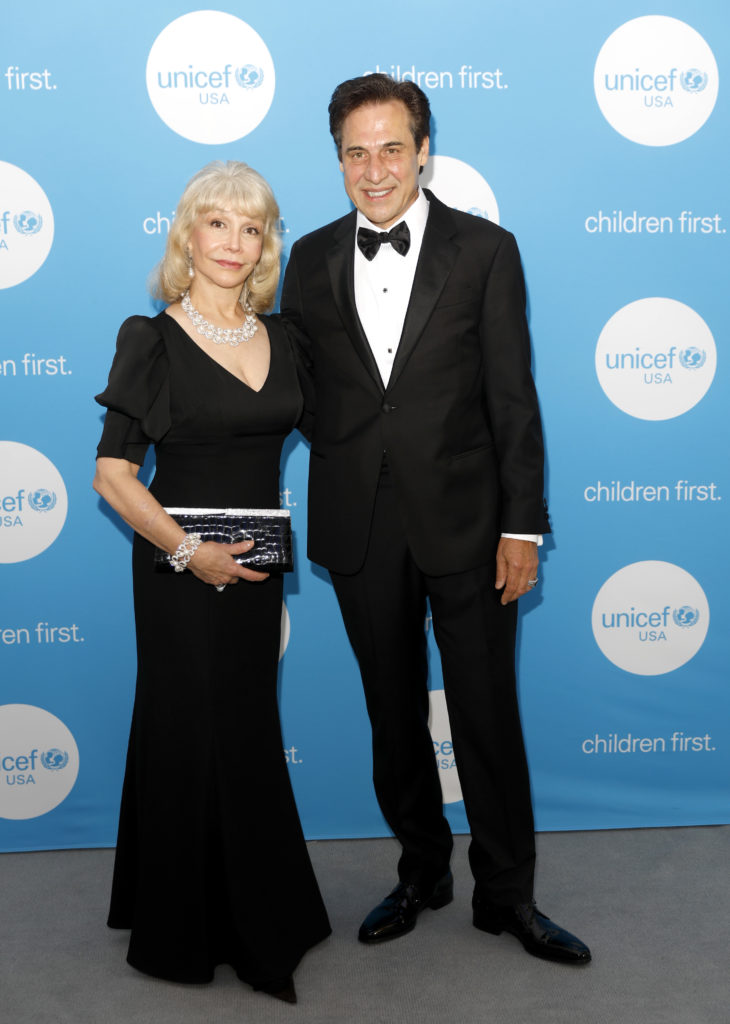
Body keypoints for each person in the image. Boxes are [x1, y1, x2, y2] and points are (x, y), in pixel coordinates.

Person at [281, 74, 590, 964]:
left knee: (488, 715)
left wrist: (521, 527)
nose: (373, 169)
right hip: (360, 526)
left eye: (390, 148)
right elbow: (298, 387)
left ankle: (508, 895)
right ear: (337, 159)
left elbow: (513, 400)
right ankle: (423, 871)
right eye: (355, 152)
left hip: (471, 528)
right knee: (391, 715)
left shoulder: (487, 250)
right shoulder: (307, 258)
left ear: (424, 150)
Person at [93, 161, 330, 1002]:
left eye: (251, 226)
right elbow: (113, 476)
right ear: (188, 235)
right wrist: (188, 552)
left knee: (246, 725)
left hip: (257, 568)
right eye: (217, 223)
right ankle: (182, 925)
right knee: (188, 725)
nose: (234, 242)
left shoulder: (287, 336)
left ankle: (259, 907)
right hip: (177, 569)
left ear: (266, 244)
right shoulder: (150, 339)